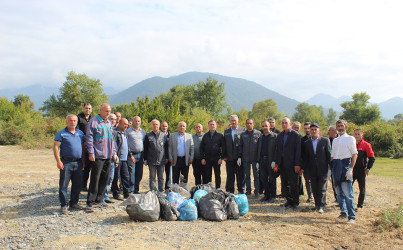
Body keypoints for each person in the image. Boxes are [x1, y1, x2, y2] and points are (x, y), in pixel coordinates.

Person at [85, 103, 117, 213]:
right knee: (95, 178)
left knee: (105, 178)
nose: (108, 113)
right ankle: (90, 202)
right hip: (98, 155)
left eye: (109, 111)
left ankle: (100, 199)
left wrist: (113, 153)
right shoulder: (93, 122)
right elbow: (89, 138)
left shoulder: (108, 123)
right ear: (100, 110)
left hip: (108, 155)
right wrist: (91, 153)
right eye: (106, 111)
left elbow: (112, 140)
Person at [53, 114, 85, 215]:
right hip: (66, 163)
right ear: (66, 121)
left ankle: (74, 203)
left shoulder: (80, 133)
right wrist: (58, 161)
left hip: (78, 162)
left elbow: (83, 148)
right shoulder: (62, 133)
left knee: (78, 184)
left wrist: (83, 161)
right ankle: (63, 205)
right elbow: (55, 147)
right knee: (63, 185)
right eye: (71, 120)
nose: (73, 122)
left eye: (74, 121)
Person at [331, 119, 358, 224]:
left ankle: (351, 216)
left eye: (342, 126)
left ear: (346, 127)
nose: (340, 128)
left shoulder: (350, 139)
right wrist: (330, 169)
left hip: (345, 165)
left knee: (348, 193)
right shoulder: (335, 140)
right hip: (336, 166)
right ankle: (343, 212)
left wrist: (351, 169)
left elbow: (354, 154)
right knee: (338, 192)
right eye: (338, 126)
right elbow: (332, 156)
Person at [302, 123, 331, 213]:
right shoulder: (306, 143)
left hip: (323, 168)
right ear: (310, 131)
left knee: (322, 188)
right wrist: (303, 168)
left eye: (315, 129)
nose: (314, 131)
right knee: (314, 187)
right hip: (312, 169)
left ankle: (321, 205)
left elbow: (329, 155)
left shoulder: (325, 140)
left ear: (318, 130)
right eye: (312, 129)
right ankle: (317, 204)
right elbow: (305, 158)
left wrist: (330, 168)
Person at [275, 117, 301, 209]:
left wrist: (297, 164)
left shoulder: (296, 135)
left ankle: (295, 202)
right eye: (282, 123)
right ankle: (289, 200)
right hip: (282, 164)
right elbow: (278, 150)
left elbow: (298, 151)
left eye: (286, 123)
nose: (284, 124)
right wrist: (277, 163)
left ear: (290, 124)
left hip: (292, 164)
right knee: (284, 184)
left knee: (293, 184)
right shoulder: (280, 135)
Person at [111, 118, 135, 201]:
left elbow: (126, 146)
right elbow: (114, 146)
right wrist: (115, 158)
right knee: (116, 177)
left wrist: (130, 155)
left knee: (126, 176)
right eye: (124, 124)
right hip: (118, 159)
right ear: (119, 123)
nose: (126, 126)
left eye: (127, 124)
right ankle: (116, 193)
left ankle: (126, 193)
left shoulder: (125, 133)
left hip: (124, 159)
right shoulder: (115, 132)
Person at [143, 120, 169, 192]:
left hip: (161, 160)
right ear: (151, 126)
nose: (155, 126)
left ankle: (160, 191)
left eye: (157, 124)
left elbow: (166, 147)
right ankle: (153, 191)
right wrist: (145, 159)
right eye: (154, 124)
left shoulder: (164, 136)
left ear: (159, 126)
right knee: (152, 177)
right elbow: (145, 148)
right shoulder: (148, 136)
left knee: (161, 177)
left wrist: (167, 157)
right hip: (151, 160)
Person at [238, 119, 261, 196]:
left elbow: (259, 147)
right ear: (246, 124)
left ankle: (257, 191)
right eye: (247, 123)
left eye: (250, 123)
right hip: (245, 158)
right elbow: (241, 146)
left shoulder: (258, 133)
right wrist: (239, 157)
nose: (249, 124)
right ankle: (248, 191)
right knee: (247, 175)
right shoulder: (243, 134)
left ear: (253, 124)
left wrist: (258, 160)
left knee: (256, 175)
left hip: (255, 158)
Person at [223, 115, 246, 194]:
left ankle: (241, 190)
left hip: (239, 157)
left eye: (235, 120)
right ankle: (231, 192)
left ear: (238, 121)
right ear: (230, 121)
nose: (233, 122)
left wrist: (241, 156)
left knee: (240, 175)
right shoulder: (226, 131)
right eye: (232, 120)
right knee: (230, 175)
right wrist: (224, 155)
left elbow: (244, 144)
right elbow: (224, 144)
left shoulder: (243, 130)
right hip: (229, 158)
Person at [353, 129, 375, 209]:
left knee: (362, 188)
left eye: (358, 134)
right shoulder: (350, 144)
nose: (356, 136)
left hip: (361, 170)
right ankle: (348, 204)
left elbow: (372, 158)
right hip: (351, 169)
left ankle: (360, 205)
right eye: (355, 134)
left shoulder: (366, 145)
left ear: (362, 135)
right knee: (348, 187)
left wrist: (368, 168)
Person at [200, 120, 225, 188]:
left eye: (213, 124)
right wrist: (203, 158)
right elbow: (201, 148)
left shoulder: (220, 135)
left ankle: (218, 189)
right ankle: (209, 189)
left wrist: (221, 158)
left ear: (216, 126)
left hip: (217, 158)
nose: (212, 126)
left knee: (217, 175)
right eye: (210, 125)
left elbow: (224, 147)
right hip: (207, 158)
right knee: (208, 175)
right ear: (208, 126)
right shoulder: (205, 136)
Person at [125, 116, 146, 194]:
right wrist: (130, 155)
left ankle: (136, 189)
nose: (137, 123)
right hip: (132, 155)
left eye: (138, 121)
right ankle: (131, 190)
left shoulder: (143, 132)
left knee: (139, 173)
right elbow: (126, 144)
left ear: (140, 122)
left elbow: (144, 143)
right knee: (131, 173)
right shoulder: (128, 131)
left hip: (140, 155)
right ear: (133, 122)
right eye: (135, 121)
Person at [258, 120, 277, 203]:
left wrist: (275, 161)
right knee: (263, 179)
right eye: (263, 126)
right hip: (262, 160)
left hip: (271, 161)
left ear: (270, 126)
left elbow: (277, 150)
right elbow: (258, 149)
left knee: (272, 179)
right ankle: (266, 195)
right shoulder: (261, 137)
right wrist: (258, 161)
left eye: (266, 126)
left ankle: (273, 196)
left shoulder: (275, 136)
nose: (264, 127)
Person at [77, 103, 93, 192]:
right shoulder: (78, 118)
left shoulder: (93, 119)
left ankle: (85, 185)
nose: (88, 110)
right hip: (81, 145)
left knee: (88, 167)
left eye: (89, 108)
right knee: (82, 167)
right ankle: (81, 185)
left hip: (90, 145)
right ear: (83, 109)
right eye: (86, 108)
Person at [103, 113, 117, 203]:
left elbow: (115, 145)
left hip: (112, 158)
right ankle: (103, 196)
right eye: (111, 119)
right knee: (104, 177)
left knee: (110, 178)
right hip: (104, 157)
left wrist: (116, 158)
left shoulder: (114, 131)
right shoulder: (104, 129)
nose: (113, 121)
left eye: (114, 119)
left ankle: (105, 195)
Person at [301, 122, 313, 202]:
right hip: (306, 164)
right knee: (307, 181)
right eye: (305, 128)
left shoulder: (316, 139)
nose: (307, 130)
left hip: (315, 164)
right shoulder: (302, 140)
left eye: (309, 128)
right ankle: (310, 196)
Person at [328, 125, 339, 201]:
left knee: (339, 181)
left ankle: (340, 197)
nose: (328, 132)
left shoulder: (339, 139)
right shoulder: (328, 140)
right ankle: (337, 197)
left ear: (334, 131)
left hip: (339, 163)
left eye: (330, 130)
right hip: (331, 164)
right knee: (333, 181)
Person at [161, 121, 172, 190]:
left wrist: (168, 157)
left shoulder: (171, 136)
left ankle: (167, 188)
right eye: (163, 126)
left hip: (169, 158)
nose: (164, 127)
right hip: (160, 158)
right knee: (160, 175)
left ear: (167, 127)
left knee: (169, 174)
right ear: (160, 127)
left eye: (165, 126)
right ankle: (160, 188)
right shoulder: (158, 135)